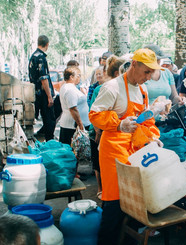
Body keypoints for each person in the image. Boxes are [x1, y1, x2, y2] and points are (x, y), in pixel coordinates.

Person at [89, 48, 161, 245]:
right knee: (114, 204)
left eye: (151, 73)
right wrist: (119, 124)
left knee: (135, 203)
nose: (148, 77)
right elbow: (95, 115)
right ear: (134, 64)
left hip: (135, 151)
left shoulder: (143, 90)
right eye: (146, 72)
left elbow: (147, 121)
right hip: (113, 152)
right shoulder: (112, 87)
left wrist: (153, 137)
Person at [89, 56, 125, 200]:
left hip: (116, 134)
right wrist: (98, 132)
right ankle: (101, 189)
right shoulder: (103, 88)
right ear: (117, 73)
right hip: (103, 132)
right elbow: (95, 114)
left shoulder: (128, 88)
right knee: (100, 163)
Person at [28, 35, 56, 141]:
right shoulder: (41, 57)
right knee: (49, 119)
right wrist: (49, 96)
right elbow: (44, 79)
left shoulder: (33, 56)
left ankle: (40, 137)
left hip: (35, 93)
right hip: (43, 94)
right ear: (47, 44)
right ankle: (49, 141)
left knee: (38, 118)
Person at [59, 66, 90, 146]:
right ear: (71, 77)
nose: (79, 77)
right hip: (72, 126)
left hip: (71, 125)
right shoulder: (70, 89)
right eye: (78, 75)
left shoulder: (69, 87)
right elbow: (73, 108)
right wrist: (80, 125)